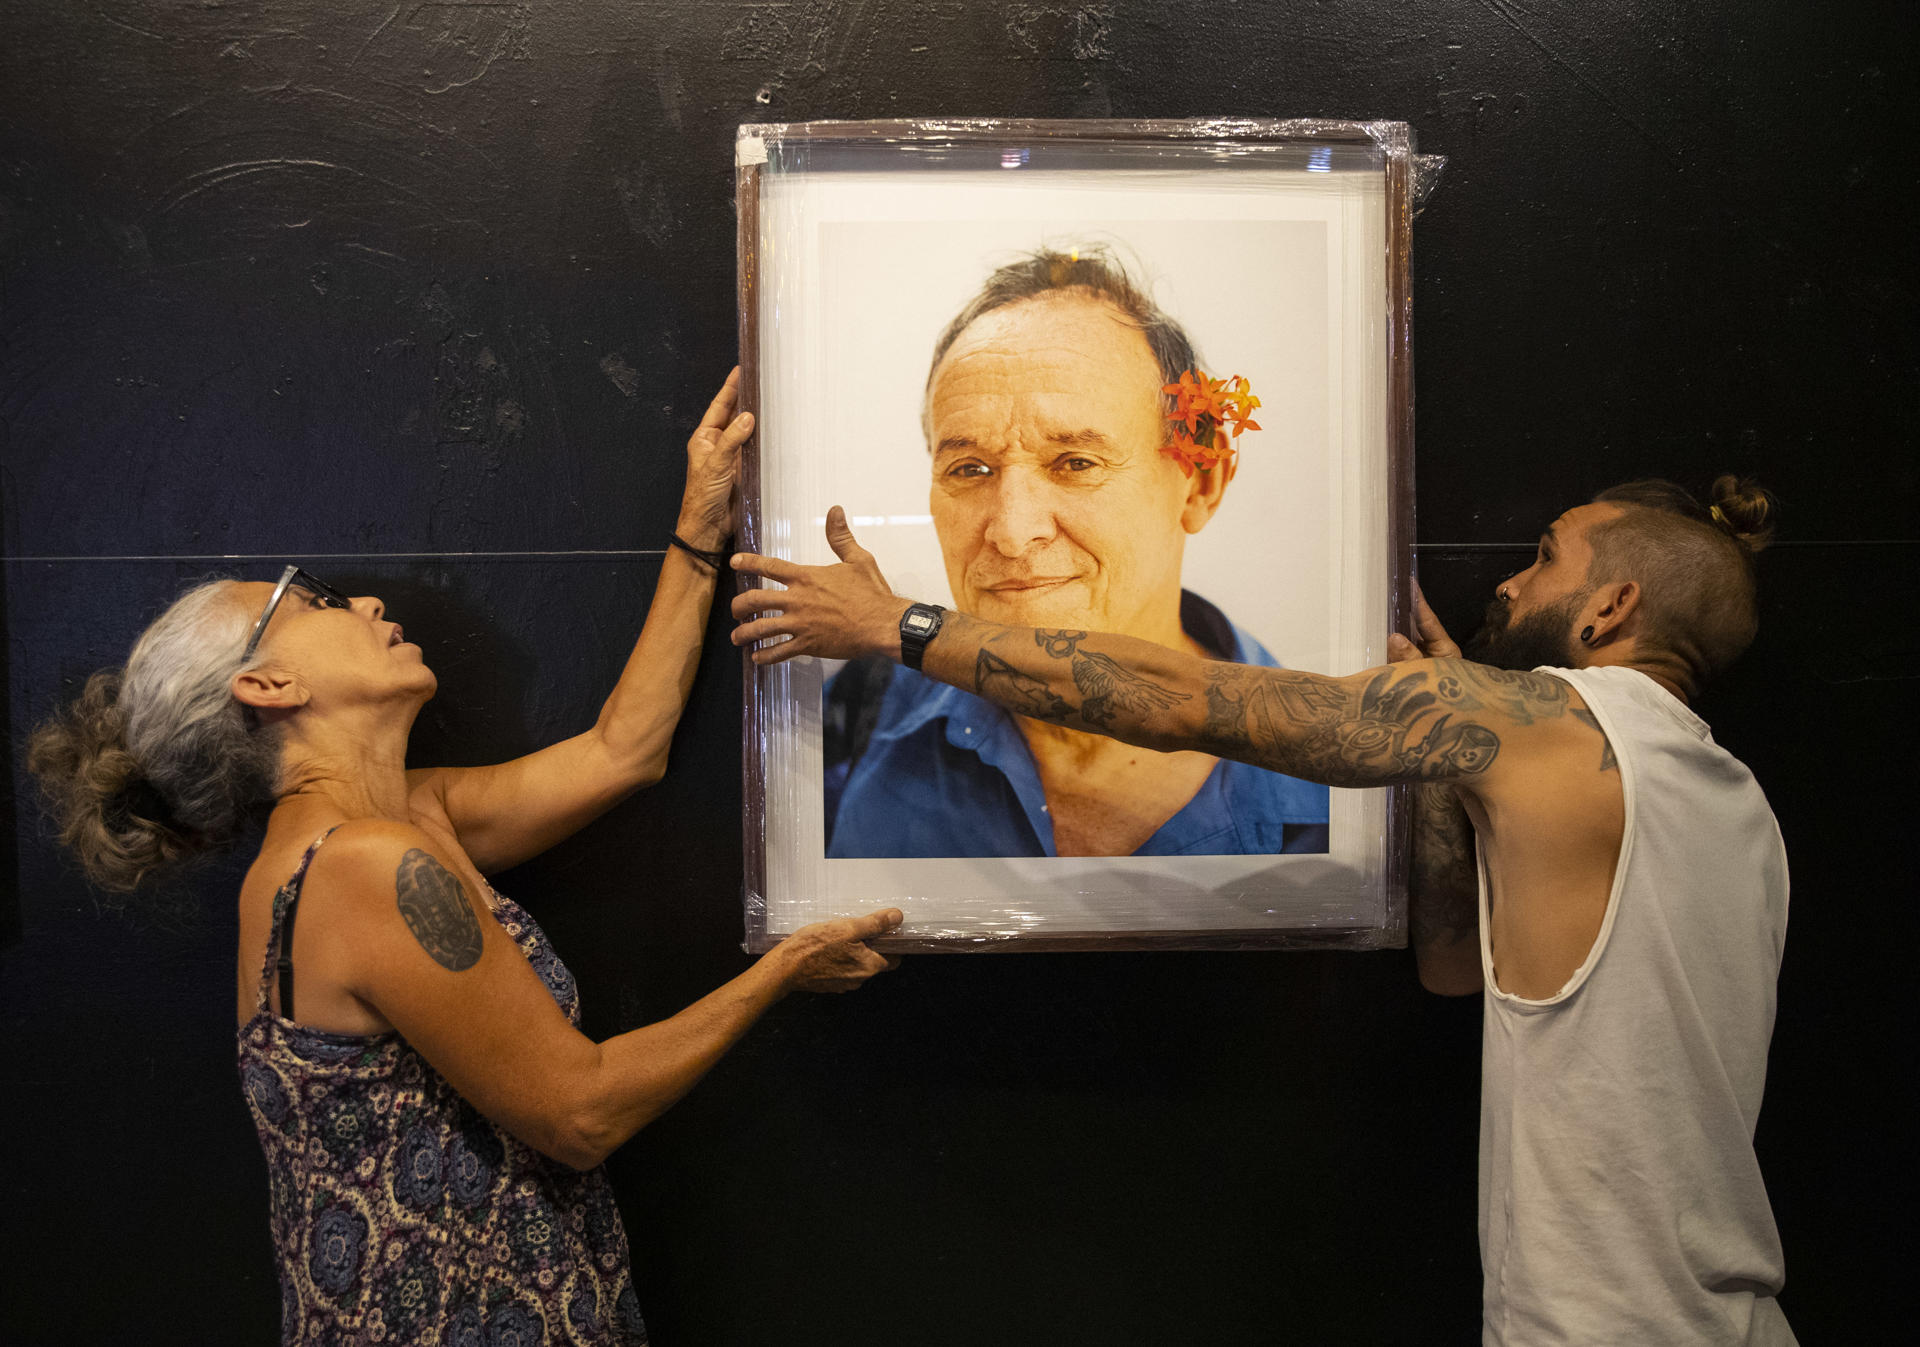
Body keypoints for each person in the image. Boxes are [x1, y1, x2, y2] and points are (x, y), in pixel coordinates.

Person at [730, 475, 1796, 1345]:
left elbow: (1192, 700)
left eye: (1547, 556)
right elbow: (1449, 966)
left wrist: (897, 624)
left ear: (1609, 609)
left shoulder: (1551, 720)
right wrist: (1449, 760)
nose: (1512, 583)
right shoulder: (1738, 807)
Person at [27, 370, 903, 1346]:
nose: (357, 598)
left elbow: (625, 750)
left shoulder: (399, 821)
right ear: (268, 683)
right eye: (310, 600)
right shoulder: (358, 870)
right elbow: (581, 1110)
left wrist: (702, 524)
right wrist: (784, 969)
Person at [824, 245, 1328, 860]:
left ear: (1201, 483)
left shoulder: (1345, 783)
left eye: (1077, 463)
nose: (1011, 532)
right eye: (970, 468)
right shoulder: (850, 715)